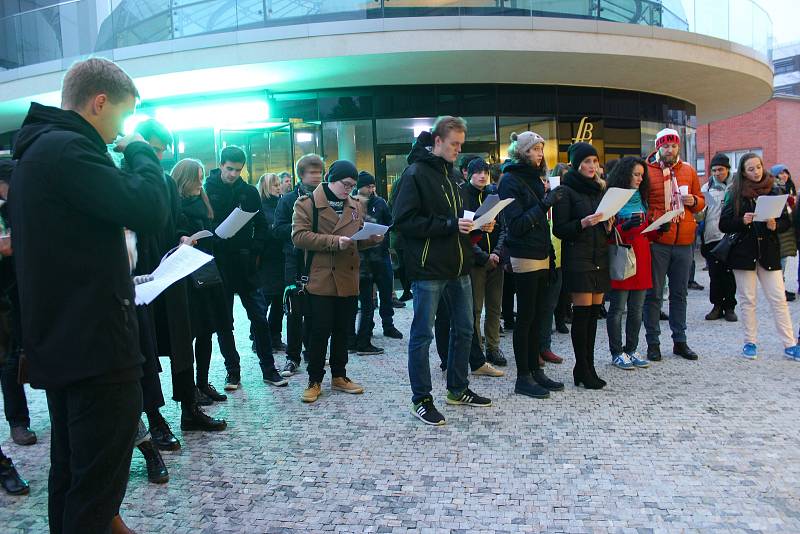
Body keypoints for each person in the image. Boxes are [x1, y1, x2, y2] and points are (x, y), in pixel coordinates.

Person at [9, 57, 168, 533]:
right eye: (121, 116)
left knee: (73, 478)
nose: (119, 130)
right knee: (96, 492)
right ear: (99, 103)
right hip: (95, 349)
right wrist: (141, 150)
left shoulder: (39, 152)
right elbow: (150, 206)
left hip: (66, 343)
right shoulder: (67, 152)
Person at [392, 117, 492, 426]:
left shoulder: (449, 176)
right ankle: (421, 399)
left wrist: (475, 225)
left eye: (461, 145)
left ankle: (458, 388)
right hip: (428, 269)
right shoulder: (415, 174)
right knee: (422, 335)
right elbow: (405, 222)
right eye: (454, 145)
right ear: (437, 141)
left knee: (464, 329)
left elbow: (456, 219)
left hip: (458, 265)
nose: (458, 151)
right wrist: (451, 225)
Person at [134, 119, 225, 439]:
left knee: (181, 342)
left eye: (161, 151)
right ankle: (155, 418)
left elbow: (175, 222)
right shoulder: (123, 178)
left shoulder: (164, 183)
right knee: (144, 351)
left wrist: (183, 238)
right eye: (154, 149)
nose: (158, 156)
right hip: (138, 280)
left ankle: (189, 408)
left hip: (170, 275)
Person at [292, 160, 382, 402]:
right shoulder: (308, 203)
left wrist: (371, 238)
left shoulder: (355, 205)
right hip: (321, 277)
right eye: (345, 184)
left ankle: (340, 376)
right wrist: (333, 242)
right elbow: (299, 237)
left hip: (348, 276)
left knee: (343, 329)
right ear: (331, 179)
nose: (348, 190)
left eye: (352, 186)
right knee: (320, 330)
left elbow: (356, 236)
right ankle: (314, 380)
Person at [205, 146, 287, 388]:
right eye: (229, 169)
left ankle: (269, 369)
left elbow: (261, 225)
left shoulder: (249, 192)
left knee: (259, 317)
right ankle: (233, 371)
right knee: (224, 321)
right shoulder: (207, 190)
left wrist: (254, 250)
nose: (232, 174)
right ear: (221, 165)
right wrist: (215, 238)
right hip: (219, 262)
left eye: (237, 170)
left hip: (246, 263)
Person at [499, 132, 564, 398]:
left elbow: (540, 225)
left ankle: (536, 372)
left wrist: (550, 254)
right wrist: (545, 203)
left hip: (540, 251)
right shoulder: (510, 180)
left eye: (541, 149)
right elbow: (516, 225)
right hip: (523, 253)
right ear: (523, 152)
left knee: (539, 316)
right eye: (536, 149)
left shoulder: (535, 180)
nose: (540, 154)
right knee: (525, 317)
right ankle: (523, 377)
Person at [719, 154, 799, 361]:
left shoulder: (775, 190)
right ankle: (750, 342)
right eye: (751, 169)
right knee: (748, 300)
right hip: (743, 253)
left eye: (759, 167)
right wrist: (742, 221)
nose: (756, 172)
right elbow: (724, 224)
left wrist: (776, 225)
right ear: (743, 172)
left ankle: (790, 344)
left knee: (778, 299)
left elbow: (786, 222)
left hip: (769, 252)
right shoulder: (735, 192)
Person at [173, 158, 238, 411]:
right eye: (196, 178)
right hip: (187, 278)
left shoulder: (202, 203)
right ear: (184, 179)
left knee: (207, 331)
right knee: (189, 334)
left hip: (208, 273)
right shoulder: (175, 206)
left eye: (201, 178)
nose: (200, 183)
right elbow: (170, 236)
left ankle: (202, 382)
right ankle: (190, 388)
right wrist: (182, 239)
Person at [553, 142, 613, 389]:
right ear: (576, 165)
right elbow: (560, 229)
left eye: (594, 161)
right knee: (582, 315)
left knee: (593, 316)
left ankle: (589, 367)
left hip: (599, 257)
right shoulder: (566, 191)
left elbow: (604, 224)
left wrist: (608, 225)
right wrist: (583, 224)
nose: (591, 166)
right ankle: (582, 367)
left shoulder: (600, 189)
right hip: (578, 259)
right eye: (586, 162)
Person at [642, 128, 705, 362]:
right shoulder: (647, 171)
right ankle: (653, 342)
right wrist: (655, 217)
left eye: (674, 146)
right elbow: (642, 202)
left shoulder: (688, 170)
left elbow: (701, 202)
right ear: (658, 146)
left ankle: (680, 341)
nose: (670, 150)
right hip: (659, 239)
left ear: (678, 147)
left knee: (680, 294)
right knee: (654, 294)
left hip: (684, 240)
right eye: (665, 146)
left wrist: (694, 201)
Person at [273, 154, 324, 377]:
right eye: (312, 172)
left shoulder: (325, 197)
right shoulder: (288, 199)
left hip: (319, 259)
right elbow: (277, 229)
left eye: (319, 172)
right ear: (301, 175)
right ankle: (292, 357)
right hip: (294, 259)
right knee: (294, 311)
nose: (316, 176)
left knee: (316, 311)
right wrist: (302, 231)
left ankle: (312, 352)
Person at [604, 157, 653, 370]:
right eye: (636, 174)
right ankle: (617, 352)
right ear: (625, 174)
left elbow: (646, 229)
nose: (640, 179)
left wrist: (659, 228)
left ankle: (631, 349)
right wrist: (624, 227)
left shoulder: (641, 197)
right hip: (622, 255)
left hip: (642, 255)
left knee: (637, 309)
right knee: (617, 308)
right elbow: (606, 233)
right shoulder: (613, 197)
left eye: (642, 175)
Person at [0, 160, 36, 447]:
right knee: (12, 359)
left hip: (32, 288)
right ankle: (18, 421)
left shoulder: (22, 205)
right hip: (7, 294)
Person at [460, 157, 508, 370]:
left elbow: (503, 228)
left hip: (496, 260)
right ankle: (477, 350)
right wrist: (483, 256)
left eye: (485, 172)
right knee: (476, 309)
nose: (482, 176)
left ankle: (493, 346)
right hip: (476, 262)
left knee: (495, 307)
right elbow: (465, 235)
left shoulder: (493, 195)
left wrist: (497, 252)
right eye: (477, 172)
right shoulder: (464, 197)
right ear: (467, 174)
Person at [353, 171, 403, 355]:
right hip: (362, 259)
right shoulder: (353, 204)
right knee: (366, 298)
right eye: (368, 186)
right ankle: (366, 329)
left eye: (373, 186)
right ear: (360, 187)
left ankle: (388, 325)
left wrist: (384, 232)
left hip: (381, 255)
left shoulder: (380, 203)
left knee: (386, 292)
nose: (372, 189)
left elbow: (390, 223)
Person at [700, 153, 737, 321]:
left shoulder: (736, 186)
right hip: (712, 235)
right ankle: (717, 306)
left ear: (727, 169)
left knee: (729, 273)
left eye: (720, 169)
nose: (717, 173)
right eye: (714, 170)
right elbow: (703, 212)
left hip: (731, 236)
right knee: (714, 274)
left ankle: (730, 306)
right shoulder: (706, 188)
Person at [257, 173, 287, 351]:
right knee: (264, 302)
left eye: (278, 184)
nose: (278, 187)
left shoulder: (281, 205)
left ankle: (275, 337)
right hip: (266, 261)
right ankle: (259, 338)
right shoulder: (260, 207)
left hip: (281, 259)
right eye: (274, 185)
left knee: (278, 303)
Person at [550, 163, 572, 335]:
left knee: (565, 288)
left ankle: (561, 317)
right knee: (553, 290)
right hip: (553, 245)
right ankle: (553, 320)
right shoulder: (552, 195)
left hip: (565, 246)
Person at [771, 164, 797, 301]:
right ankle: (779, 291)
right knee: (780, 260)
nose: (784, 176)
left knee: (784, 259)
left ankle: (781, 289)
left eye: (786, 173)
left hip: (788, 229)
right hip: (779, 230)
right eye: (781, 173)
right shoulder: (776, 189)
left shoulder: (789, 188)